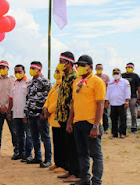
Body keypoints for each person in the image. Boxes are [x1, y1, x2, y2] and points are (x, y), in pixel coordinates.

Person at [67, 54, 106, 185]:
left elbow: (100, 104)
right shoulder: (76, 82)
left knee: (96, 155)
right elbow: (73, 103)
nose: (80, 68)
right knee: (82, 153)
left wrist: (96, 125)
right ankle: (84, 179)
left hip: (91, 123)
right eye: (78, 65)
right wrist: (70, 121)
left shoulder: (97, 81)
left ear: (90, 67)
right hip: (78, 123)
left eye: (83, 65)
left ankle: (96, 181)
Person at [54, 51, 80, 183]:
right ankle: (70, 170)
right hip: (62, 116)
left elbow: (73, 99)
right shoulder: (65, 76)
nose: (59, 64)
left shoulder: (73, 76)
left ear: (68, 63)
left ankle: (76, 172)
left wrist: (70, 119)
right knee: (67, 145)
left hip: (69, 117)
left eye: (61, 61)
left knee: (72, 146)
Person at [24, 61, 52, 168]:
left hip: (40, 114)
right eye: (30, 68)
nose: (31, 70)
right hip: (31, 114)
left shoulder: (45, 82)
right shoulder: (30, 83)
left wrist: (44, 113)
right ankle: (37, 157)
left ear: (39, 70)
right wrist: (26, 113)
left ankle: (48, 159)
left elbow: (48, 99)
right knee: (34, 137)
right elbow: (28, 99)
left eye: (33, 68)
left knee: (45, 137)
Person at [0, 60, 18, 157]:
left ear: (8, 68)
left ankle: (16, 149)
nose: (2, 69)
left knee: (13, 130)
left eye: (3, 67)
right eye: (0, 67)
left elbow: (14, 95)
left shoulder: (13, 80)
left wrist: (7, 107)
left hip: (10, 110)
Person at [7, 64, 33, 161]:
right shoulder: (14, 83)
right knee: (19, 134)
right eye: (16, 72)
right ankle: (21, 153)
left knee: (28, 134)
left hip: (26, 113)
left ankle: (28, 154)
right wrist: (9, 111)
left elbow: (31, 99)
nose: (17, 73)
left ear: (24, 72)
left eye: (19, 72)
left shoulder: (28, 83)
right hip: (16, 113)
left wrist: (28, 112)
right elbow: (11, 99)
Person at [43, 68, 64, 172]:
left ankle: (63, 165)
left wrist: (49, 110)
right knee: (56, 141)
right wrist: (45, 107)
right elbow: (49, 98)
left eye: (58, 71)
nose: (56, 73)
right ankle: (57, 163)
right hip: (53, 118)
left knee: (61, 143)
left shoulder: (63, 85)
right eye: (55, 71)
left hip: (59, 117)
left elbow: (58, 101)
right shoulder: (56, 84)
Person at [105, 68, 131, 138]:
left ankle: (122, 133)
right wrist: (107, 102)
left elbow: (127, 92)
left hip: (122, 103)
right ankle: (114, 133)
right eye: (114, 74)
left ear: (120, 74)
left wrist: (127, 102)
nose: (116, 75)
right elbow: (108, 93)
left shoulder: (125, 82)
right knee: (113, 118)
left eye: (117, 73)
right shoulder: (110, 83)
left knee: (122, 119)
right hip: (113, 103)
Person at [122, 62, 140, 134]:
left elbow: (139, 87)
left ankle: (134, 127)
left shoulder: (136, 76)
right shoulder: (122, 75)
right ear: (126, 68)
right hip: (123, 97)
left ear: (133, 68)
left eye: (131, 67)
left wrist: (139, 98)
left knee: (133, 113)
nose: (129, 69)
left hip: (133, 96)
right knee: (123, 113)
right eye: (128, 67)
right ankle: (123, 127)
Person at [95, 64, 110, 133]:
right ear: (95, 69)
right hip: (95, 97)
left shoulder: (106, 77)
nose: (99, 69)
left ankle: (106, 128)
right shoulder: (93, 77)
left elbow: (109, 88)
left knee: (104, 113)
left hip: (103, 97)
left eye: (100, 68)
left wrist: (107, 99)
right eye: (98, 68)